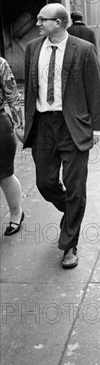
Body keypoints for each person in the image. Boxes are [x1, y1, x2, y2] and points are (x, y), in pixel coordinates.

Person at [20, 3, 100, 269]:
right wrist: (26, 122)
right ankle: (70, 211)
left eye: (42, 19)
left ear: (58, 22)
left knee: (75, 187)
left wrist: (97, 128)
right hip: (43, 125)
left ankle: (70, 245)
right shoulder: (33, 48)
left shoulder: (84, 49)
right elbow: (31, 91)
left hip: (73, 126)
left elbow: (94, 90)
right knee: (45, 183)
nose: (37, 23)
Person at [0, 57, 24, 236]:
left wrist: (19, 125)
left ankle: (16, 214)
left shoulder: (0, 63)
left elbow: (13, 96)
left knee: (4, 174)